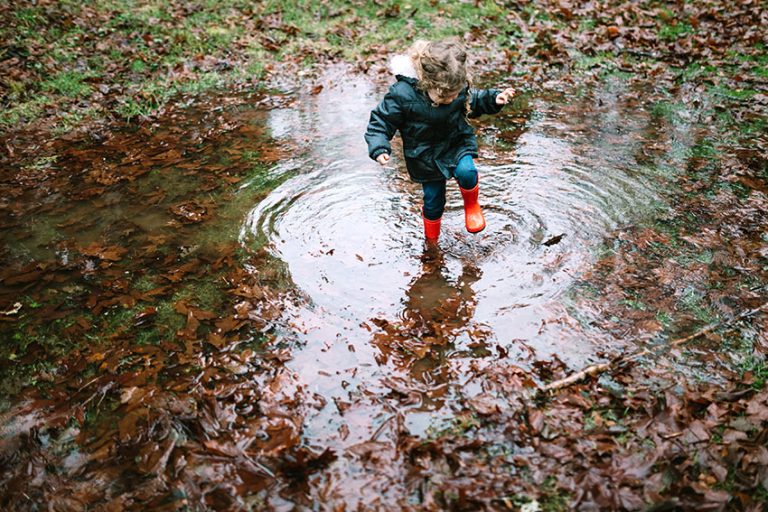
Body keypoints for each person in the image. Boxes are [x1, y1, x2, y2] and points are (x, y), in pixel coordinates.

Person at [364, 39, 515, 243]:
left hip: (455, 142)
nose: (451, 100)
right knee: (434, 200)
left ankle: (472, 206)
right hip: (424, 155)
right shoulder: (402, 95)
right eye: (445, 97)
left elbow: (472, 100)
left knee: (467, 172)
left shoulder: (454, 85)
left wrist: (493, 99)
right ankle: (432, 241)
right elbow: (381, 121)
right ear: (427, 83)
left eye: (455, 95)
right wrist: (379, 146)